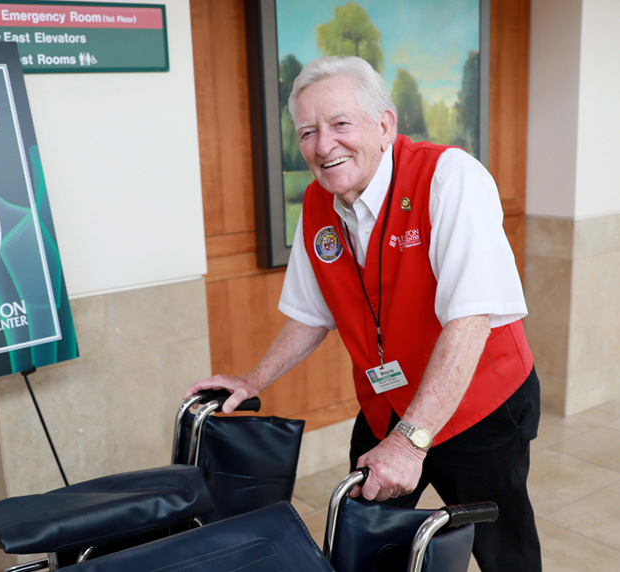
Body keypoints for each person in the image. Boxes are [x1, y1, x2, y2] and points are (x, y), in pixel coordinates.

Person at [185, 56, 540, 571]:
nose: (323, 145)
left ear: (385, 124)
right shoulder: (318, 203)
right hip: (388, 403)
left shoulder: (449, 177)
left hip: (479, 405)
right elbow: (312, 313)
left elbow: (471, 319)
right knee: (364, 539)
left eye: (340, 124)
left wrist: (411, 441)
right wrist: (252, 378)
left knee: (502, 545)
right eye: (307, 132)